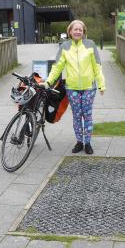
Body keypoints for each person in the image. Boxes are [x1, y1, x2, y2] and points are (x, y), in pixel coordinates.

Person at [43, 20, 106, 155]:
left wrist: (101, 84)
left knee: (87, 115)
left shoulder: (91, 45)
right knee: (77, 116)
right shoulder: (64, 47)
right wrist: (48, 82)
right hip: (72, 88)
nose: (77, 32)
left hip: (89, 88)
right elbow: (57, 67)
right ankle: (79, 142)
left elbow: (97, 66)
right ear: (70, 31)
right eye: (75, 29)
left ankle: (87, 143)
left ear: (84, 32)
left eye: (80, 30)